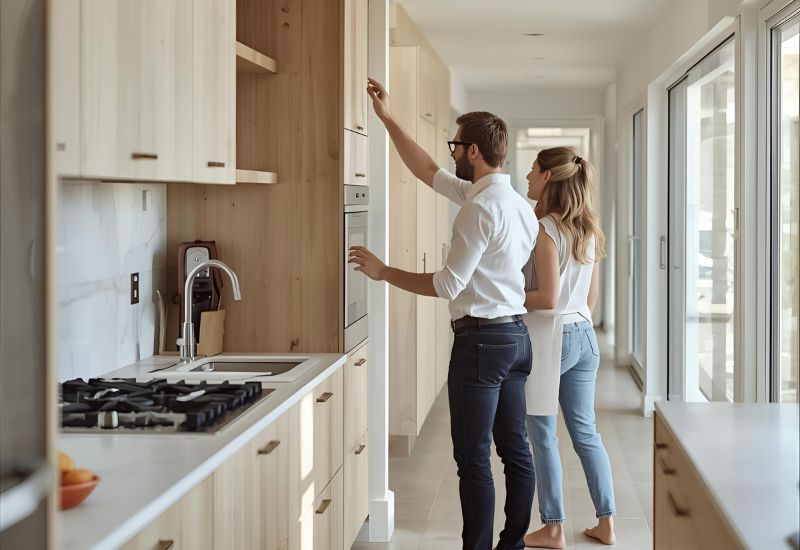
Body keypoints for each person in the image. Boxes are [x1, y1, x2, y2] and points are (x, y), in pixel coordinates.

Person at [349, 78, 538, 550]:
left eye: (456, 144)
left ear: (472, 150)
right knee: (515, 451)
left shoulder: (478, 211)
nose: (450, 152)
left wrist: (384, 271)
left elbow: (446, 284)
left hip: (481, 344)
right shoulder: (517, 205)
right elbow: (427, 170)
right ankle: (511, 544)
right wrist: (388, 119)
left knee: (473, 458)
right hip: (516, 338)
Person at [521, 147, 615, 548]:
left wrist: (505, 295)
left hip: (550, 337)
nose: (527, 175)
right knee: (586, 432)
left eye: (533, 169)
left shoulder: (545, 229)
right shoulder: (589, 229)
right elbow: (589, 299)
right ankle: (606, 523)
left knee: (542, 433)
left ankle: (554, 527)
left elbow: (545, 298)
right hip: (584, 335)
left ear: (547, 179)